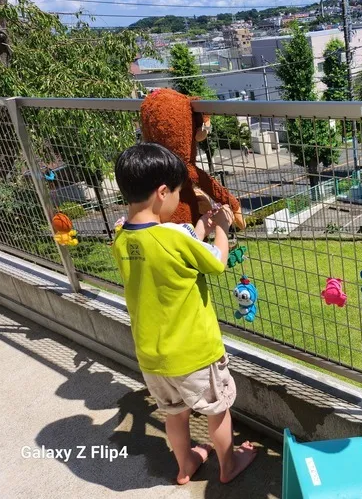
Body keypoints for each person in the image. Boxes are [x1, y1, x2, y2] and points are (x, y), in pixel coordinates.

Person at [112, 142, 256, 485]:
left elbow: (166, 251)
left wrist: (198, 230)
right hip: (194, 353)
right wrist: (220, 226)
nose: (178, 199)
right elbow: (216, 263)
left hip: (152, 355)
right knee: (217, 413)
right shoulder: (176, 237)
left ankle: (186, 464)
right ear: (163, 192)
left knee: (174, 415)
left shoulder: (120, 236)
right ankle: (228, 464)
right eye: (177, 191)